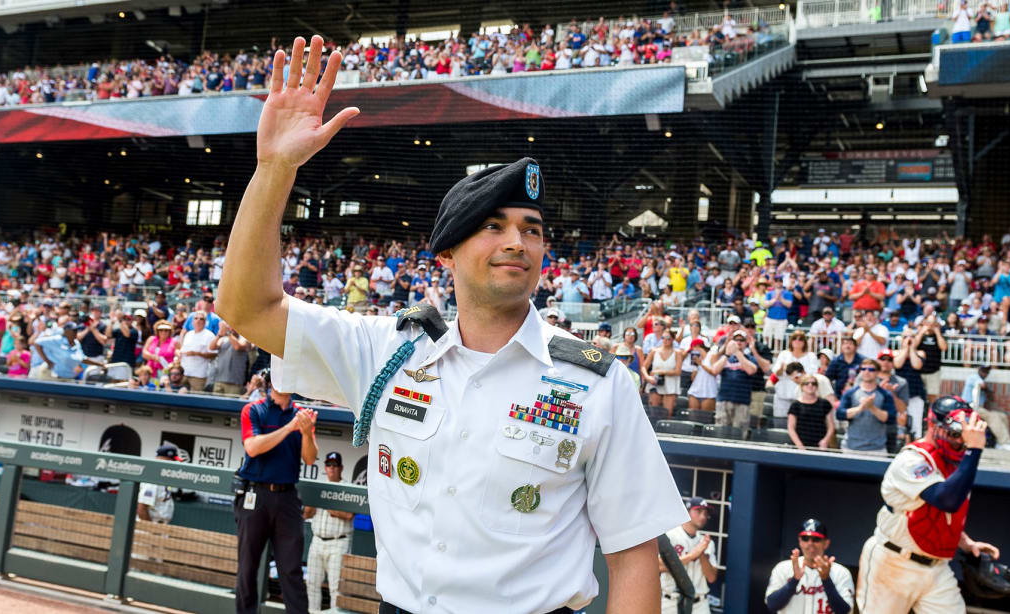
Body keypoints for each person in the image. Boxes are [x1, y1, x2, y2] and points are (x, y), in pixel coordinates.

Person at [216, 36, 687, 613]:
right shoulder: (386, 352)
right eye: (493, 225)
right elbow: (247, 309)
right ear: (447, 253)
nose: (518, 241)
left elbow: (632, 557)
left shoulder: (599, 384)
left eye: (532, 229)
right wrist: (274, 169)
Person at [857, 397, 1001, 614]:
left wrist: (966, 542)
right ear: (932, 425)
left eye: (962, 432)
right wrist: (974, 450)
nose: (959, 439)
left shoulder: (955, 464)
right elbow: (946, 500)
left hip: (936, 568)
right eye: (953, 431)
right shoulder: (912, 459)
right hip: (894, 562)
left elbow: (939, 515)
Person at [233, 371, 318, 614]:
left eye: (290, 378)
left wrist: (305, 431)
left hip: (287, 498)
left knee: (291, 569)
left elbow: (310, 458)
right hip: (255, 495)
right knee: (248, 567)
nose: (284, 383)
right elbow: (253, 448)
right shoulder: (254, 410)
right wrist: (290, 427)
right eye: (280, 378)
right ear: (271, 383)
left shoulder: (301, 414)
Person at [765, 519, 854, 614]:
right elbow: (772, 605)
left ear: (826, 543)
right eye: (805, 538)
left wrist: (826, 580)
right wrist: (794, 580)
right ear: (800, 541)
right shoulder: (783, 568)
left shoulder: (841, 573)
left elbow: (844, 611)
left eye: (816, 539)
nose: (810, 543)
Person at [304, 451, 354, 614]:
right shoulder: (319, 486)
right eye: (328, 465)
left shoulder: (347, 487)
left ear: (341, 468)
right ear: (325, 467)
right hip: (317, 541)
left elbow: (348, 515)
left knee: (336, 588)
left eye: (334, 465)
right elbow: (306, 514)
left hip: (338, 543)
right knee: (312, 584)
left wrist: (328, 504)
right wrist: (313, 502)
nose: (331, 468)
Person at [660, 498, 718, 614]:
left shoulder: (706, 542)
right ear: (686, 512)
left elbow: (711, 577)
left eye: (706, 513)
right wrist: (692, 556)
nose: (703, 516)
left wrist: (701, 553)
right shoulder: (670, 536)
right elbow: (659, 566)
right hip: (671, 602)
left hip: (699, 604)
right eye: (699, 511)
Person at [839, 359, 897, 456]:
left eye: (871, 369)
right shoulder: (850, 393)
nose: (867, 372)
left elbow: (890, 418)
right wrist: (860, 408)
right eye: (863, 369)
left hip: (877, 449)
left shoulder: (885, 394)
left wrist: (872, 407)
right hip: (850, 448)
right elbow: (840, 414)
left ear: (877, 373)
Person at [788, 375, 835, 451]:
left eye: (813, 383)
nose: (810, 385)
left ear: (817, 386)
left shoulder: (824, 403)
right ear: (802, 387)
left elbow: (831, 426)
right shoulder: (795, 405)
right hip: (800, 447)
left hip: (820, 446)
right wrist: (800, 446)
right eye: (807, 383)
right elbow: (791, 428)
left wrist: (825, 440)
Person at [137, 444, 178, 523]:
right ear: (166, 459)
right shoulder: (153, 479)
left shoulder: (164, 477)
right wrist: (151, 530)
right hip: (147, 529)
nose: (175, 463)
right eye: (173, 460)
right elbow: (141, 509)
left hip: (159, 526)